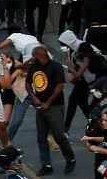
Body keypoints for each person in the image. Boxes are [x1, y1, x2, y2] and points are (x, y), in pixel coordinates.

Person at [25, 45, 76, 175]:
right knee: (41, 137)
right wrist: (34, 98)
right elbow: (27, 83)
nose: (33, 58)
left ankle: (70, 159)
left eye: (34, 56)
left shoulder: (55, 66)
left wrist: (48, 103)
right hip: (40, 106)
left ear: (41, 56)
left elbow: (59, 87)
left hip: (54, 106)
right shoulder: (34, 66)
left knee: (59, 135)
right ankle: (46, 165)